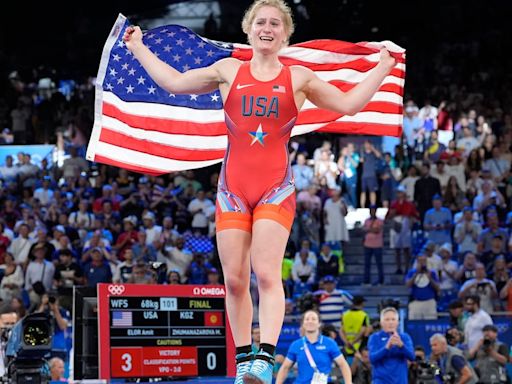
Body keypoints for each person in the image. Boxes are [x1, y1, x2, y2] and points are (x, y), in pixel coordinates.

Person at [123, 0, 396, 382]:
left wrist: (382, 68)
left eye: (276, 23)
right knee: (234, 280)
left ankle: (264, 359)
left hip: (274, 189)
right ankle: (243, 362)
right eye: (261, 22)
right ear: (248, 29)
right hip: (232, 189)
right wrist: (137, 47)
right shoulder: (227, 70)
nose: (267, 28)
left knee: (266, 273)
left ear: (285, 34)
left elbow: (349, 105)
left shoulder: (298, 77)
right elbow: (173, 83)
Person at [275, 309, 352, 384]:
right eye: (307, 319)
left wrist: (348, 382)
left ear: (319, 323)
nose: (310, 321)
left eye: (313, 319)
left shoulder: (329, 343)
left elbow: (343, 364)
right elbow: (285, 367)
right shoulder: (296, 345)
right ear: (303, 324)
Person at [368, 307, 414, 384]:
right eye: (387, 319)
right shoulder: (374, 337)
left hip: (400, 381)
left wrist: (402, 346)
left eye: (393, 319)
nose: (390, 322)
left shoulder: (404, 337)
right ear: (381, 322)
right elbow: (372, 358)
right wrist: (386, 347)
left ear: (397, 322)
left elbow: (412, 357)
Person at [362, 204, 384, 285]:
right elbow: (363, 230)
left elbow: (377, 230)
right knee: (367, 264)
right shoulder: (366, 221)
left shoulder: (380, 221)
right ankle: (366, 280)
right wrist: (370, 229)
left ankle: (381, 280)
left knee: (379, 264)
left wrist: (368, 229)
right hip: (367, 245)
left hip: (377, 245)